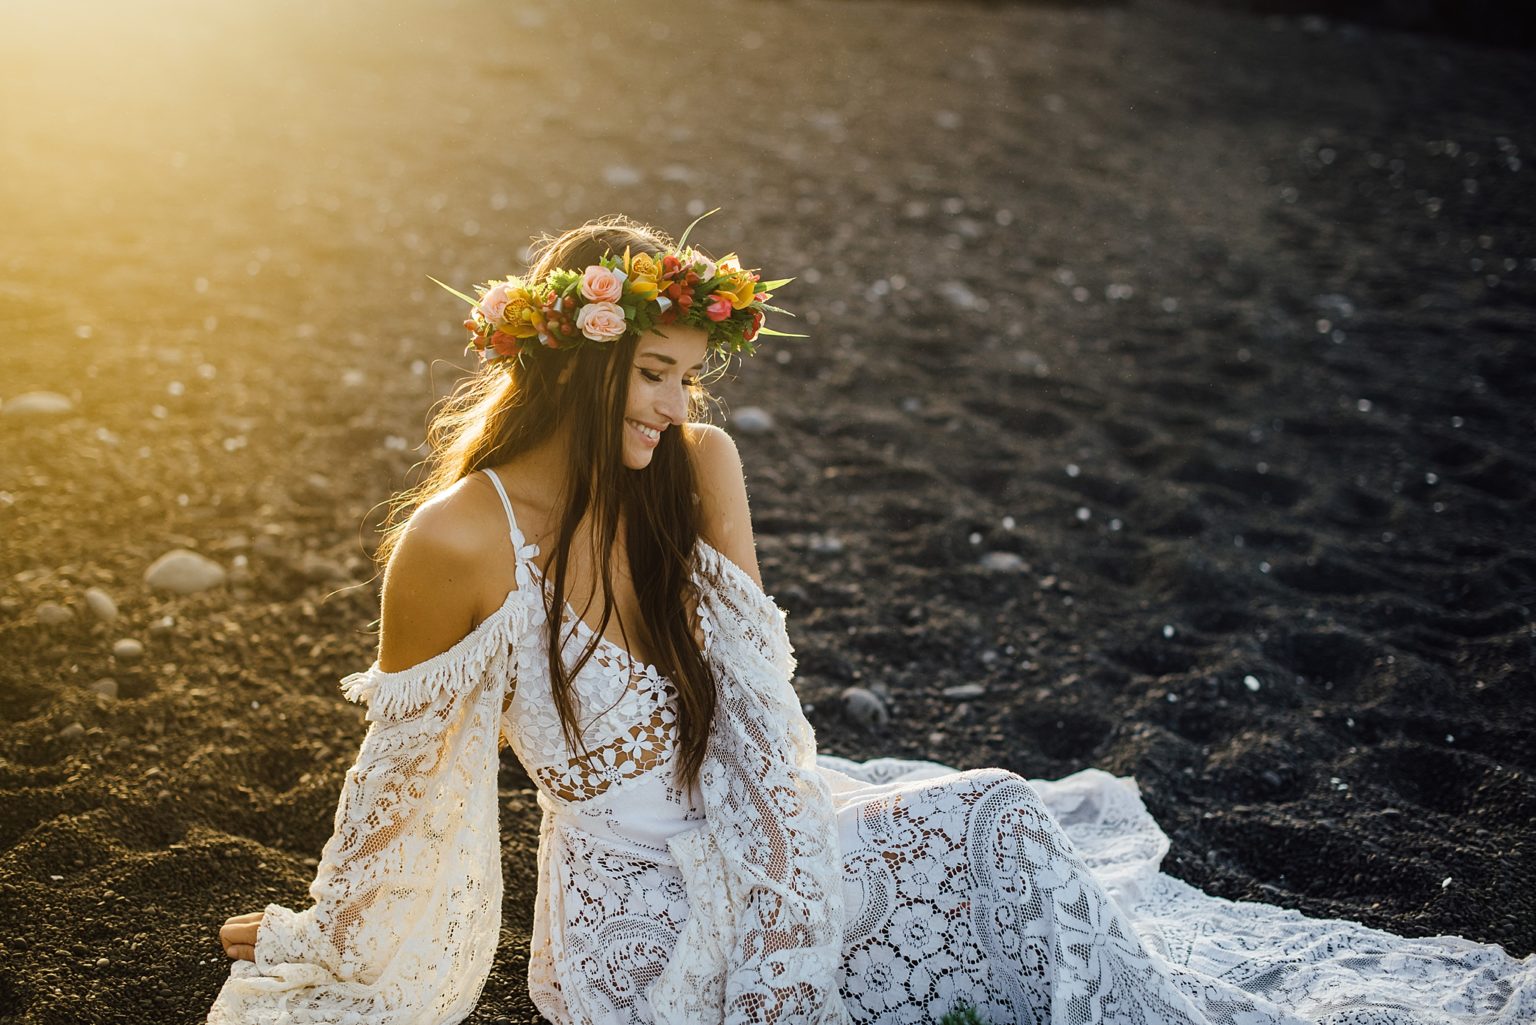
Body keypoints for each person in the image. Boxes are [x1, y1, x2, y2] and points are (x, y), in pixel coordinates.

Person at [207, 212, 1535, 1025]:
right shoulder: (455, 541)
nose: (675, 407)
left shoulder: (697, 469)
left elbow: (763, 718)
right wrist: (327, 938)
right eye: (652, 374)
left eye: (688, 376)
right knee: (997, 835)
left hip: (758, 820)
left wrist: (786, 865)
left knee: (1005, 823)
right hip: (629, 927)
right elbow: (406, 789)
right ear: (573, 352)